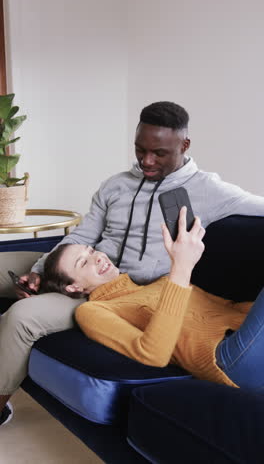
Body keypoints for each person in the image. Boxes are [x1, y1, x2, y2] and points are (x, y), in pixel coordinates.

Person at [1, 101, 264, 425]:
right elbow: (84, 234)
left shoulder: (209, 189)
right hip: (78, 268)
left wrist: (180, 265)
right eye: (140, 150)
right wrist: (42, 270)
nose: (146, 161)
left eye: (159, 153)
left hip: (115, 288)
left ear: (184, 146)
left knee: (23, 315)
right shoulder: (116, 185)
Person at [42, 207, 264, 393]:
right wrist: (181, 268)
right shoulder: (92, 311)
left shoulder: (159, 284)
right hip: (227, 358)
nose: (97, 257)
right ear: (75, 287)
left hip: (252, 339)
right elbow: (152, 355)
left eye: (91, 251)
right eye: (83, 263)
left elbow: (230, 308)